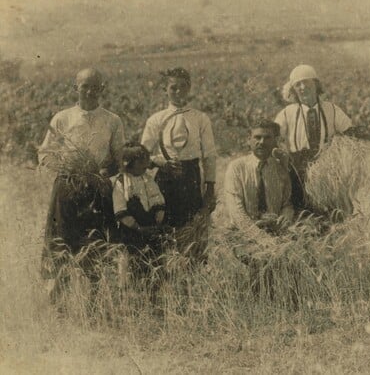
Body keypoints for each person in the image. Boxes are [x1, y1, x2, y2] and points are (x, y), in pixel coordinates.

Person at [38, 68, 125, 300]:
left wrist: (105, 172)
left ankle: (93, 304)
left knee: (95, 245)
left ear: (102, 89)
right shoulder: (62, 118)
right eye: (84, 86)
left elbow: (119, 159)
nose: (89, 91)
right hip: (67, 188)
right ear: (75, 88)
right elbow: (45, 154)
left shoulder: (113, 120)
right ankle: (57, 304)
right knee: (61, 244)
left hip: (96, 189)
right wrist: (67, 170)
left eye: (95, 86)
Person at [141, 67, 217, 228]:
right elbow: (142, 155)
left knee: (192, 224)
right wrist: (159, 162)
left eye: (183, 86)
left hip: (192, 176)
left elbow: (209, 154)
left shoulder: (200, 118)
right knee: (165, 223)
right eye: (173, 87)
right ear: (165, 90)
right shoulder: (156, 119)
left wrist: (210, 187)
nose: (178, 91)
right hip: (165, 176)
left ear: (189, 88)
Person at [274, 64, 354, 210]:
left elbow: (350, 131)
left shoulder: (331, 109)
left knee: (333, 209)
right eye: (298, 84)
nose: (303, 87)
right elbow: (274, 135)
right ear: (293, 90)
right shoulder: (287, 113)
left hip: (327, 169)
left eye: (307, 82)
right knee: (301, 209)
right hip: (298, 170)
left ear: (316, 85)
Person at [112, 143, 168, 301]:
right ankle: (128, 299)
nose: (145, 164)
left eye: (146, 161)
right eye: (141, 161)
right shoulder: (121, 184)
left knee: (153, 262)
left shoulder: (148, 180)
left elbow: (157, 199)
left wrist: (158, 219)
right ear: (128, 163)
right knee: (130, 264)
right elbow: (121, 210)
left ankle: (153, 297)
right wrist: (137, 227)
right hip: (131, 232)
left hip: (150, 228)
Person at [224, 119, 293, 241]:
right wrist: (262, 239)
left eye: (267, 138)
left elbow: (287, 204)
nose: (262, 142)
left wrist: (285, 217)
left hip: (277, 235)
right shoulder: (236, 168)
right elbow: (236, 212)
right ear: (248, 139)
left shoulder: (280, 168)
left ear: (275, 141)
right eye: (257, 137)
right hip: (243, 236)